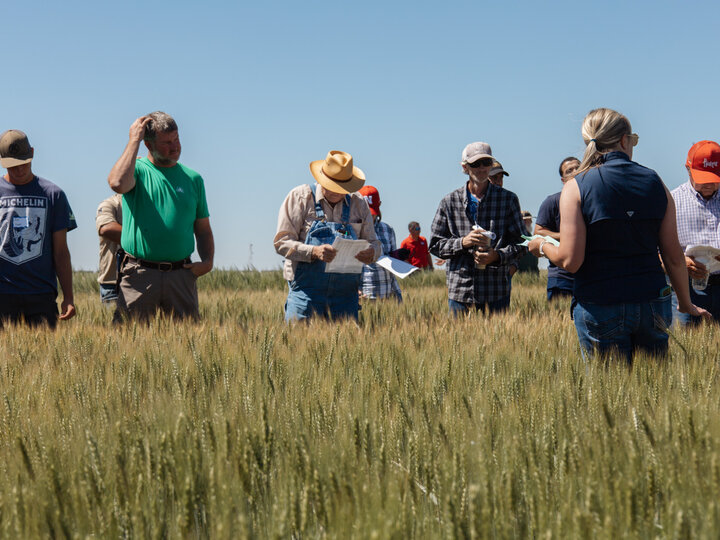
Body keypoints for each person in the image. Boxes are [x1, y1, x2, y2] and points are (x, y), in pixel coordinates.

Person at [528, 108, 709, 363]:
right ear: (624, 140)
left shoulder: (576, 186)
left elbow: (571, 260)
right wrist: (685, 304)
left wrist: (542, 245)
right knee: (651, 392)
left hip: (601, 303)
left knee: (608, 397)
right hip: (653, 302)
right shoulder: (656, 182)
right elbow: (674, 257)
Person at [107, 112, 214, 320]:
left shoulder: (193, 179)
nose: (175, 147)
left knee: (186, 344)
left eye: (177, 139)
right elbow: (117, 183)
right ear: (148, 145)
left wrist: (208, 262)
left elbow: (203, 230)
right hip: (139, 275)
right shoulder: (137, 171)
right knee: (129, 343)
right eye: (166, 143)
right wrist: (133, 140)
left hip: (181, 274)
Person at [274, 150, 381, 321]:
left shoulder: (358, 203)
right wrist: (313, 251)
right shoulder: (300, 197)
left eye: (341, 188)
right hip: (306, 295)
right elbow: (281, 242)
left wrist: (372, 252)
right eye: (332, 186)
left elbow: (375, 243)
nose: (336, 192)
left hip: (346, 298)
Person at [430, 141, 526, 315]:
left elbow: (522, 244)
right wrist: (463, 242)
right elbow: (435, 245)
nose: (482, 168)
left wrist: (496, 256)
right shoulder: (449, 202)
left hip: (495, 290)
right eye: (475, 164)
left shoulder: (508, 200)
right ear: (465, 167)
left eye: (486, 163)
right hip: (460, 291)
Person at [0, 129, 76, 327]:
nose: (19, 170)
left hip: (41, 294)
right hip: (2, 294)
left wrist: (68, 296)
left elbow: (61, 252)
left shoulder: (54, 195)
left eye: (23, 163)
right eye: (12, 165)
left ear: (32, 153)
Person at [670, 140, 720, 324]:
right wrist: (681, 262)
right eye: (702, 178)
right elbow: (655, 251)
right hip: (687, 290)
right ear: (688, 169)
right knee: (685, 351)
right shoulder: (672, 201)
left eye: (714, 178)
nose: (708, 184)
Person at [534, 157, 580, 299]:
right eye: (569, 171)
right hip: (562, 278)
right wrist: (568, 235)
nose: (575, 172)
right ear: (563, 180)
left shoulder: (592, 200)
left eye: (578, 167)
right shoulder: (552, 202)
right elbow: (538, 232)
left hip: (589, 277)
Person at [358, 185, 402, 300]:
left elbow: (392, 268)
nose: (368, 216)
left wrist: (397, 294)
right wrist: (354, 291)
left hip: (387, 295)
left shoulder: (388, 230)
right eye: (365, 212)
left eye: (371, 213)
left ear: (379, 205)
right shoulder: (351, 231)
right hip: (363, 297)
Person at [95, 193, 122, 303]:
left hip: (141, 281)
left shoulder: (145, 204)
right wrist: (148, 239)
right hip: (112, 283)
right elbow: (106, 229)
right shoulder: (109, 204)